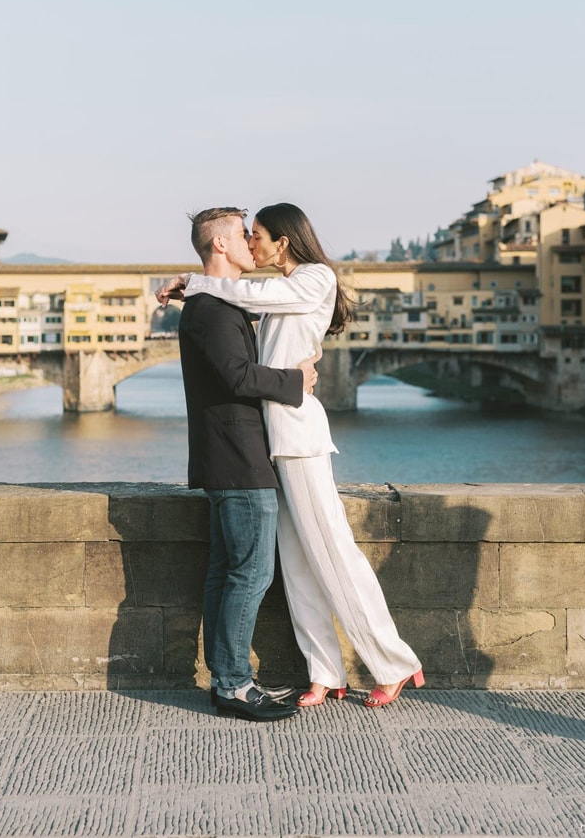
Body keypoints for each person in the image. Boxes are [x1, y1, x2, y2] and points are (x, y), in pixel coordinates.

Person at [158, 202, 423, 709]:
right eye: (245, 234)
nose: (252, 244)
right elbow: (239, 302)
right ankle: (324, 671)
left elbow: (240, 291)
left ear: (283, 241)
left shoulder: (315, 277)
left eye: (257, 235)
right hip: (268, 441)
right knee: (297, 563)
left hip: (298, 438)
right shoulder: (266, 296)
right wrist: (192, 287)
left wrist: (191, 282)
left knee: (332, 550)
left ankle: (393, 661)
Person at [176, 206, 318, 722]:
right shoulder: (212, 310)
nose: (251, 243)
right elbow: (238, 378)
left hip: (224, 456)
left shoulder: (214, 303)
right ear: (219, 245)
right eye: (242, 234)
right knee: (251, 573)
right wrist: (295, 381)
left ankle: (224, 679)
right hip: (238, 460)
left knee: (225, 571)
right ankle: (235, 685)